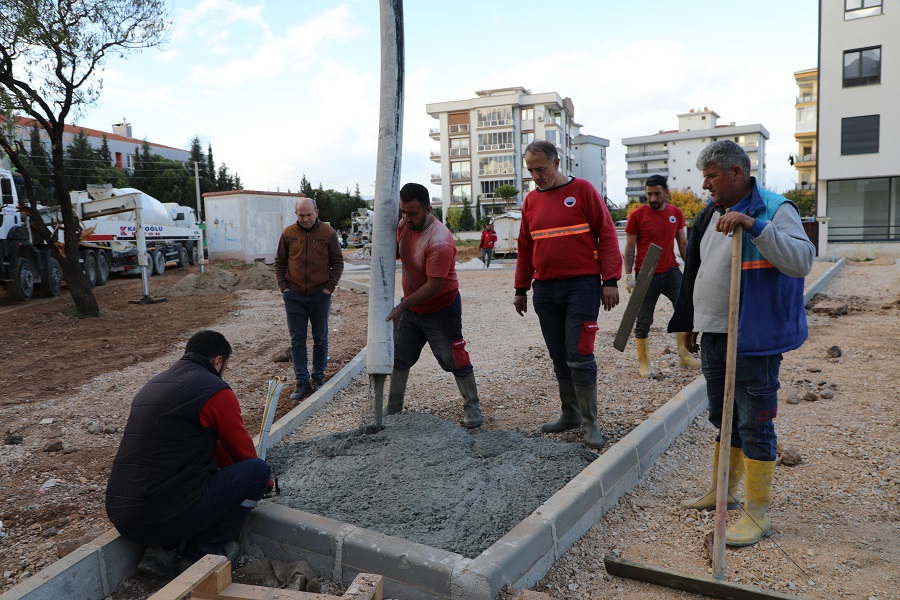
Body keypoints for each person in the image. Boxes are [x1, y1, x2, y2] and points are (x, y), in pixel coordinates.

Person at [669, 140, 814, 547]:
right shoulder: (708, 215)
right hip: (715, 332)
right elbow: (697, 271)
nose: (705, 184)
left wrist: (756, 227)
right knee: (724, 418)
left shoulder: (773, 208)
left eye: (711, 176)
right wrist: (691, 321)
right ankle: (724, 493)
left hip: (753, 337)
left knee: (755, 424)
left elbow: (802, 260)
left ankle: (758, 514)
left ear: (736, 172)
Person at [106, 330, 271, 578]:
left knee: (176, 473)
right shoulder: (215, 391)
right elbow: (241, 450)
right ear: (218, 361)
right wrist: (264, 483)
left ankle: (161, 553)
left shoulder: (153, 385)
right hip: (163, 518)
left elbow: (207, 448)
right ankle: (201, 551)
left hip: (123, 517)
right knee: (257, 472)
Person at [513, 140, 622, 449]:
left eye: (541, 169)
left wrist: (610, 280)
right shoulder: (531, 202)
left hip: (582, 286)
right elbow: (525, 248)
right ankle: (570, 414)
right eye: (531, 170)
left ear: (557, 163)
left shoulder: (583, 191)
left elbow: (607, 233)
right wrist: (520, 288)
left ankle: (590, 423)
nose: (536, 176)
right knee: (559, 353)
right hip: (545, 290)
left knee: (580, 353)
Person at [385, 182, 483, 428]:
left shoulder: (440, 241)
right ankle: (393, 409)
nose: (406, 218)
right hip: (412, 308)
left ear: (428, 209)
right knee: (399, 356)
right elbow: (400, 253)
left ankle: (473, 408)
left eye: (413, 213)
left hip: (441, 309)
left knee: (453, 358)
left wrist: (401, 307)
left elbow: (432, 287)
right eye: (403, 212)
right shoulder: (404, 225)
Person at [623, 174, 700, 378]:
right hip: (646, 273)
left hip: (671, 270)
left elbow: (683, 245)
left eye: (657, 194)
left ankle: (684, 355)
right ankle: (644, 364)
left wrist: (691, 270)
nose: (653, 198)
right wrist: (628, 275)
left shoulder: (676, 213)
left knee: (685, 310)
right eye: (649, 194)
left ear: (666, 192)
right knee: (644, 319)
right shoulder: (637, 215)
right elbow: (630, 248)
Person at [274, 197, 344, 401]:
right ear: (296, 214)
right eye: (301, 215)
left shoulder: (328, 233)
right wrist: (284, 288)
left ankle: (319, 378)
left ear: (317, 212)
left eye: (309, 215)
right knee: (297, 340)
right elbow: (279, 261)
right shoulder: (288, 233)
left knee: (320, 338)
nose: (305, 219)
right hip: (294, 295)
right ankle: (302, 382)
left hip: (319, 295)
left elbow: (337, 263)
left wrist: (329, 288)